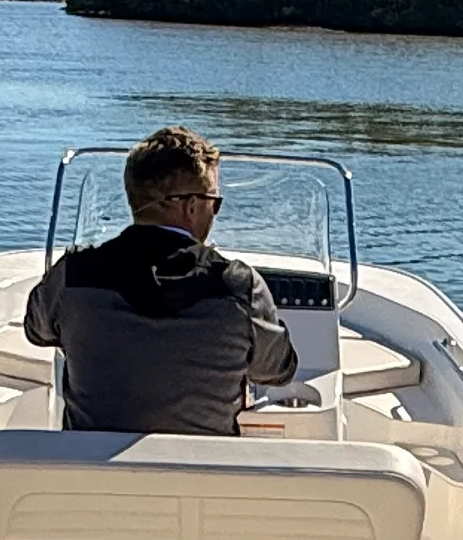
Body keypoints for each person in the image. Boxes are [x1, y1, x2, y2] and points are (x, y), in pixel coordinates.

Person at [24, 126, 297, 435]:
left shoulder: (72, 275)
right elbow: (277, 369)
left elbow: (37, 330)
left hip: (91, 477)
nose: (214, 213)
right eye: (214, 203)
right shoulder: (239, 287)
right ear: (192, 206)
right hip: (201, 478)